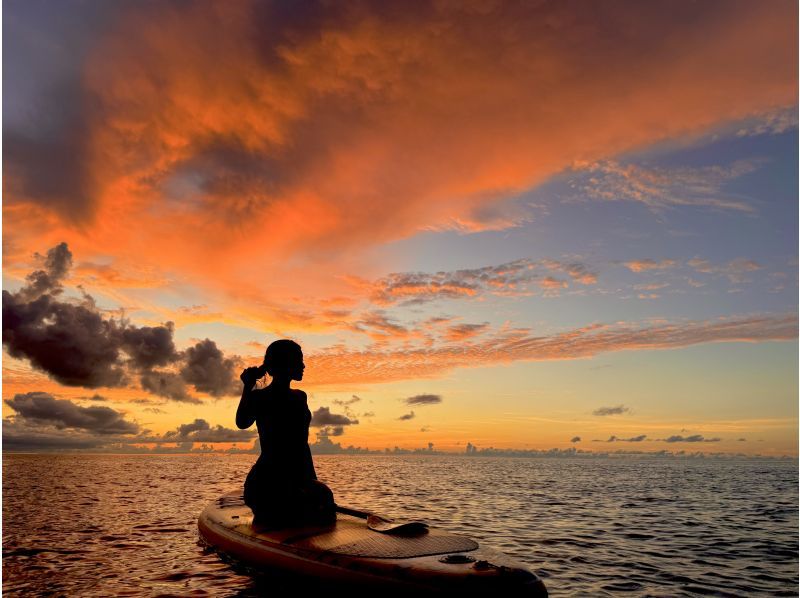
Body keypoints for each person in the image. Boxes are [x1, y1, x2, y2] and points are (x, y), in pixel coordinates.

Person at [236, 339, 336, 529]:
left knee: (323, 496)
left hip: (296, 480)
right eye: (299, 360)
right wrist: (247, 386)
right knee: (321, 501)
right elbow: (242, 422)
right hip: (266, 484)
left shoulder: (300, 396)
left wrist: (311, 482)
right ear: (285, 364)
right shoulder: (260, 397)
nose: (303, 365)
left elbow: (301, 446)